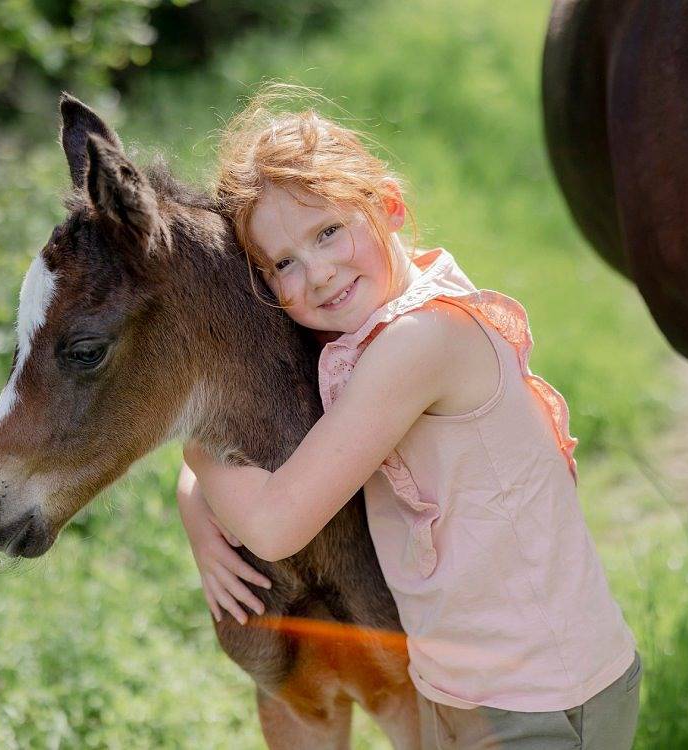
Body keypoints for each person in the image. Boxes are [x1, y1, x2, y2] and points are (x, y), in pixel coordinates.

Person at [176, 88, 641, 749]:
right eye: (283, 263)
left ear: (388, 207)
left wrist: (197, 450)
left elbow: (275, 521)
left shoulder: (418, 344)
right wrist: (199, 517)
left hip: (540, 697)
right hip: (463, 687)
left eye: (328, 231)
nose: (317, 273)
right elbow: (263, 448)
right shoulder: (358, 337)